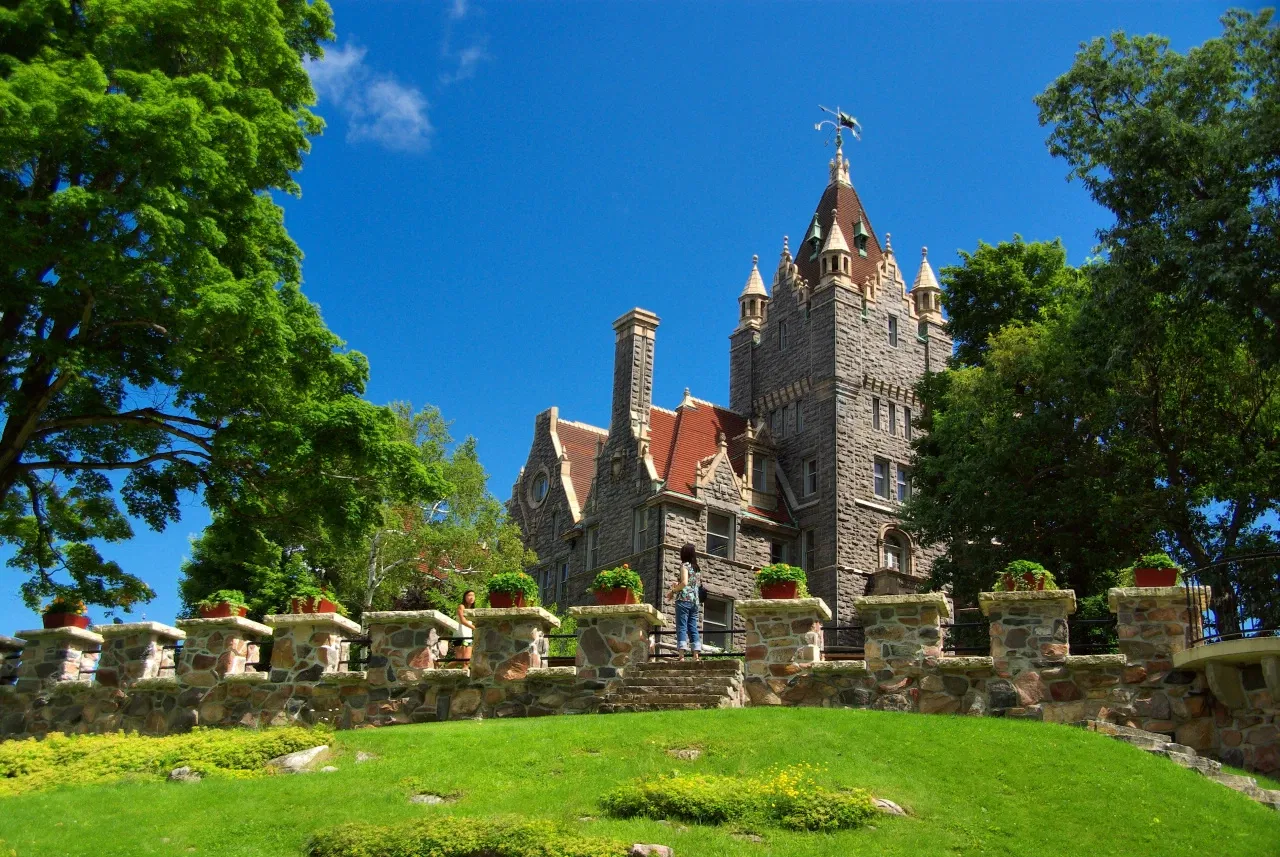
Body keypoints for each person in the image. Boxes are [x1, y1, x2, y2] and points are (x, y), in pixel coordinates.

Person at [667, 543, 702, 662]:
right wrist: (679, 584)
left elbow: (685, 583)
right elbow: (694, 584)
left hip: (683, 600)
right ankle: (696, 655)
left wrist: (673, 591)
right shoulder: (697, 568)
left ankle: (681, 655)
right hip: (695, 601)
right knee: (693, 627)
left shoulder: (684, 566)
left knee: (682, 626)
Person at [454, 590, 476, 663]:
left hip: (468, 637)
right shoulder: (461, 607)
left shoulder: (473, 610)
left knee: (466, 661)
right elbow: (462, 621)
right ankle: (443, 671)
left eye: (473, 595)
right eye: (469, 595)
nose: (471, 597)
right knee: (458, 660)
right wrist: (474, 628)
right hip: (460, 636)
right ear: (465, 597)